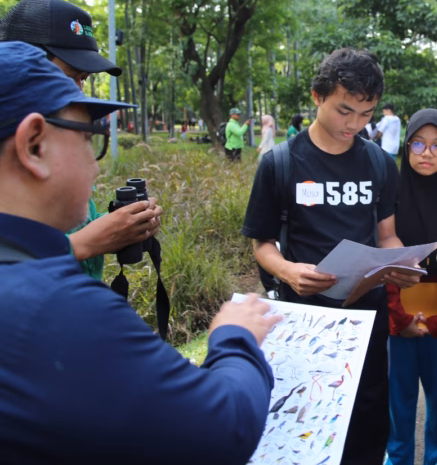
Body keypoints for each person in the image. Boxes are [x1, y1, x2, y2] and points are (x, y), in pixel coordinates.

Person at [0, 41, 280, 464]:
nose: (97, 166)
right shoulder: (58, 310)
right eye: (91, 138)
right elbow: (220, 429)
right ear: (34, 145)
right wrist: (235, 336)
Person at [242, 48, 422, 464]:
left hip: (366, 320)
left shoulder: (379, 163)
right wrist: (288, 272)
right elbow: (262, 244)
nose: (355, 125)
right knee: (304, 427)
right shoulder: (280, 164)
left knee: (366, 426)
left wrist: (402, 264)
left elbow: (387, 236)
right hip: (305, 319)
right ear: (317, 96)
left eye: (366, 114)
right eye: (345, 111)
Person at [0, 0, 162, 282]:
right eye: (67, 75)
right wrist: (83, 244)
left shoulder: (61, 149)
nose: (77, 92)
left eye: (83, 80)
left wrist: (119, 228)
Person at [385, 109, 437, 465]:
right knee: (396, 407)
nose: (427, 152)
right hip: (396, 316)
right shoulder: (390, 194)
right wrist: (398, 318)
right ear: (406, 146)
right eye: (418, 143)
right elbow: (379, 255)